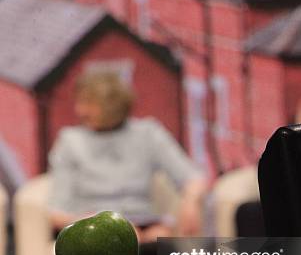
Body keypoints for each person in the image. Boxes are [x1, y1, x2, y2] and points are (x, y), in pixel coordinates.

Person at [47, 70, 206, 244]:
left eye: (89, 103)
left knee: (159, 239)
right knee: (124, 239)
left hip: (143, 222)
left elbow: (192, 177)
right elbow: (57, 212)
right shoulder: (70, 141)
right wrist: (100, 224)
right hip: (92, 225)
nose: (80, 110)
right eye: (80, 102)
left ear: (114, 104)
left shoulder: (148, 133)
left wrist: (191, 201)